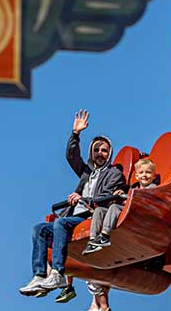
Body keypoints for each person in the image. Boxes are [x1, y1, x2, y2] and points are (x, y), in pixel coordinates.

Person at [19, 109, 126, 296]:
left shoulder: (113, 174)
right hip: (74, 215)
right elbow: (72, 157)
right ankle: (39, 274)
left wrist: (82, 199)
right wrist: (76, 134)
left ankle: (58, 272)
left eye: (104, 150)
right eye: (96, 150)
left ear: (109, 154)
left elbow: (106, 198)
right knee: (40, 229)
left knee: (60, 223)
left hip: (90, 216)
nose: (100, 154)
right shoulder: (87, 173)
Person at [83, 156, 158, 254]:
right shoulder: (132, 188)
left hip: (138, 213)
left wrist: (127, 198)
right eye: (141, 172)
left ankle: (104, 236)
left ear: (154, 176)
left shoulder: (153, 188)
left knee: (114, 208)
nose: (144, 175)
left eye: (148, 172)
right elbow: (126, 194)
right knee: (100, 210)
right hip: (127, 209)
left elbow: (146, 201)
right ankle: (93, 239)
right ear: (137, 176)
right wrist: (120, 193)